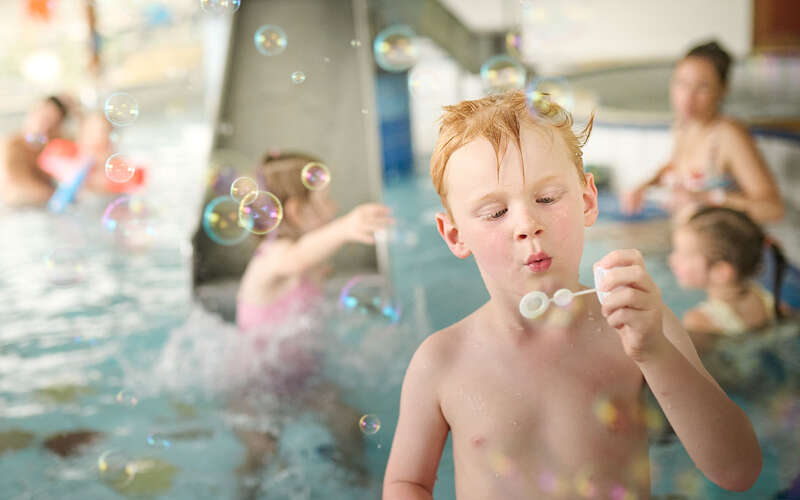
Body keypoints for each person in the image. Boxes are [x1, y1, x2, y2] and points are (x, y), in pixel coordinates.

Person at [383, 90, 762, 499]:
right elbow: (409, 483)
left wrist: (654, 352)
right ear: (455, 235)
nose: (527, 224)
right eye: (495, 213)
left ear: (587, 200)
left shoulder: (639, 328)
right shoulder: (442, 361)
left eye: (546, 198)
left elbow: (737, 471)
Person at [230, 152, 393, 497]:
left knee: (349, 422)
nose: (333, 208)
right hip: (259, 384)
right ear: (296, 211)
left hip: (304, 378)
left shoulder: (306, 262)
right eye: (325, 200)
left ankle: (359, 482)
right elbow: (294, 257)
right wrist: (346, 228)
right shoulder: (273, 259)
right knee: (263, 449)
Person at [620, 41, 784, 224]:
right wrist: (644, 187)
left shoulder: (728, 135)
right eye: (681, 83)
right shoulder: (683, 126)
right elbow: (676, 165)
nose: (687, 97)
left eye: (702, 87)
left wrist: (709, 198)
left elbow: (772, 209)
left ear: (722, 90)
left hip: (723, 245)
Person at [669, 206, 786, 351]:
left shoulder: (699, 322)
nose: (671, 260)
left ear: (720, 271)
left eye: (683, 255)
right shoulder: (766, 299)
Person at [0, 96, 68, 206]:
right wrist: (58, 195)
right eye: (44, 118)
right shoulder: (10, 146)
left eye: (52, 123)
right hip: (16, 211)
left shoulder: (52, 150)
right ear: (32, 113)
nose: (45, 127)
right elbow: (14, 188)